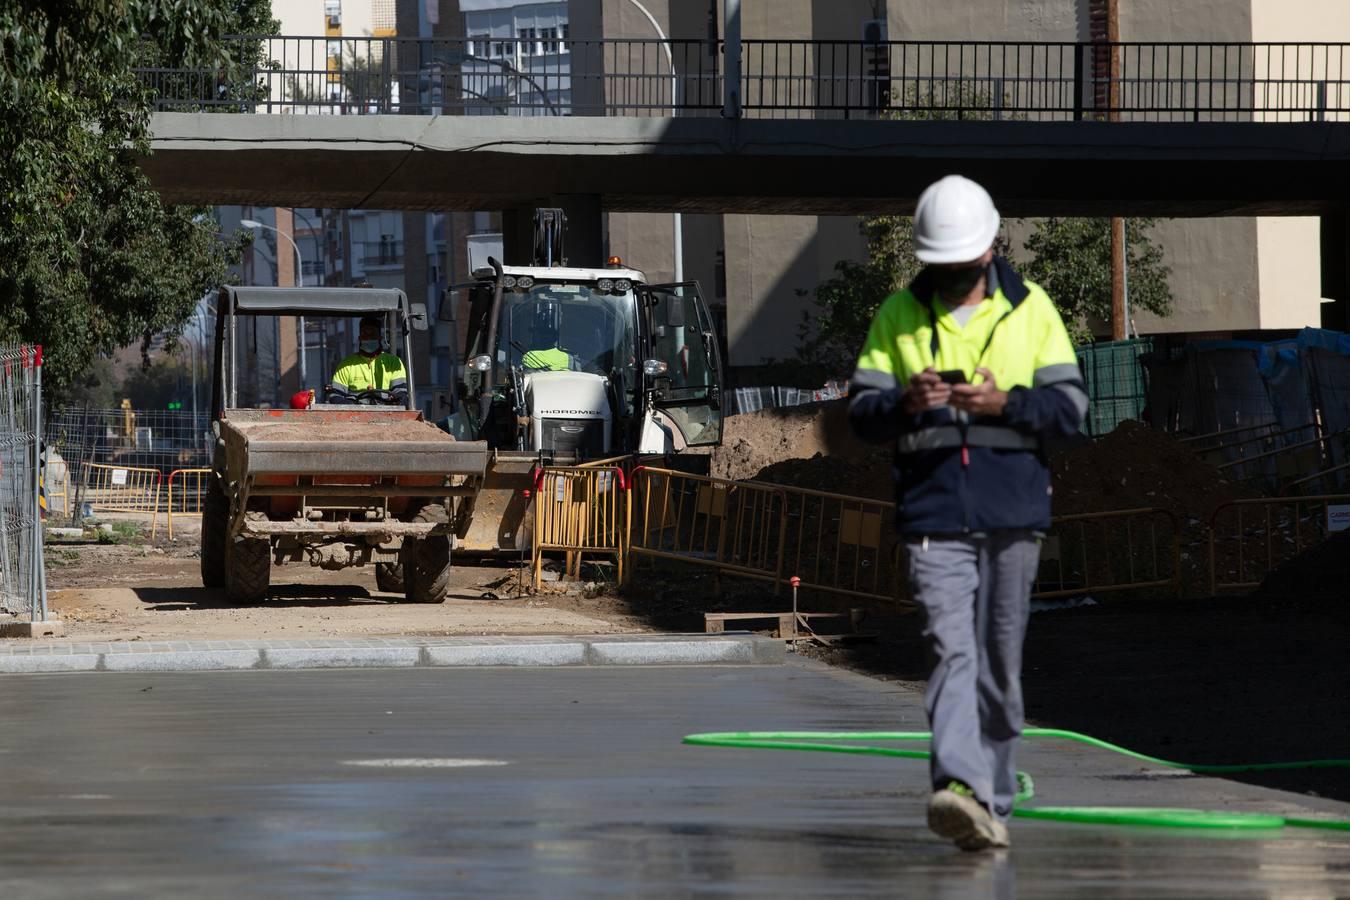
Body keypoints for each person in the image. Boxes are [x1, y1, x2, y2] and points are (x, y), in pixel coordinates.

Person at [848, 175, 1087, 851]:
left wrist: (1004, 403)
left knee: (999, 666)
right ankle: (960, 788)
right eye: (940, 267)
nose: (952, 277)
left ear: (986, 252)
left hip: (1013, 513)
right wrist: (905, 404)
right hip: (933, 518)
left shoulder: (1032, 310)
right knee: (952, 653)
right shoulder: (898, 314)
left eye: (961, 266)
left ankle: (994, 798)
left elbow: (1071, 413)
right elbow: (861, 418)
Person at [330, 315, 408, 403]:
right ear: (359, 338)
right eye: (365, 334)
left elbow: (401, 393)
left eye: (372, 334)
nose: (369, 338)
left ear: (380, 338)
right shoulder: (346, 365)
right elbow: (335, 396)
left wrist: (398, 399)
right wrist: (350, 406)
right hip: (354, 414)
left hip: (387, 414)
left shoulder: (394, 363)